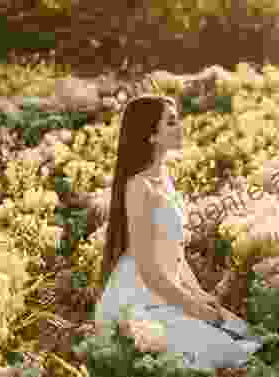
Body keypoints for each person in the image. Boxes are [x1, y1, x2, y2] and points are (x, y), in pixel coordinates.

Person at [94, 94, 262, 370]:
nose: (180, 127)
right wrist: (194, 308)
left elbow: (175, 253)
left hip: (169, 293)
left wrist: (200, 294)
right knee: (227, 354)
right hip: (141, 300)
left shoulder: (164, 177)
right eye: (171, 123)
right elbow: (149, 272)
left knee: (245, 334)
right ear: (151, 136)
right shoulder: (139, 186)